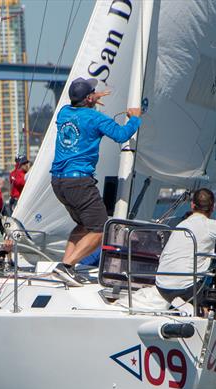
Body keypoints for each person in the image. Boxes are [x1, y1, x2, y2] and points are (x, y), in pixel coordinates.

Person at [51, 77, 142, 285]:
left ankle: (66, 266)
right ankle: (66, 266)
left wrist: (91, 98)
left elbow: (78, 108)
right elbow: (121, 135)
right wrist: (135, 118)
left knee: (83, 224)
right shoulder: (94, 118)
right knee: (101, 229)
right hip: (79, 182)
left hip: (58, 181)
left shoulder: (63, 113)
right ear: (89, 98)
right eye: (93, 92)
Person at [156, 188, 216, 319]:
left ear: (192, 205)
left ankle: (181, 306)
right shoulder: (211, 226)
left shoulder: (181, 225)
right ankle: (200, 312)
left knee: (201, 286)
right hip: (185, 288)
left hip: (161, 286)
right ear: (213, 207)